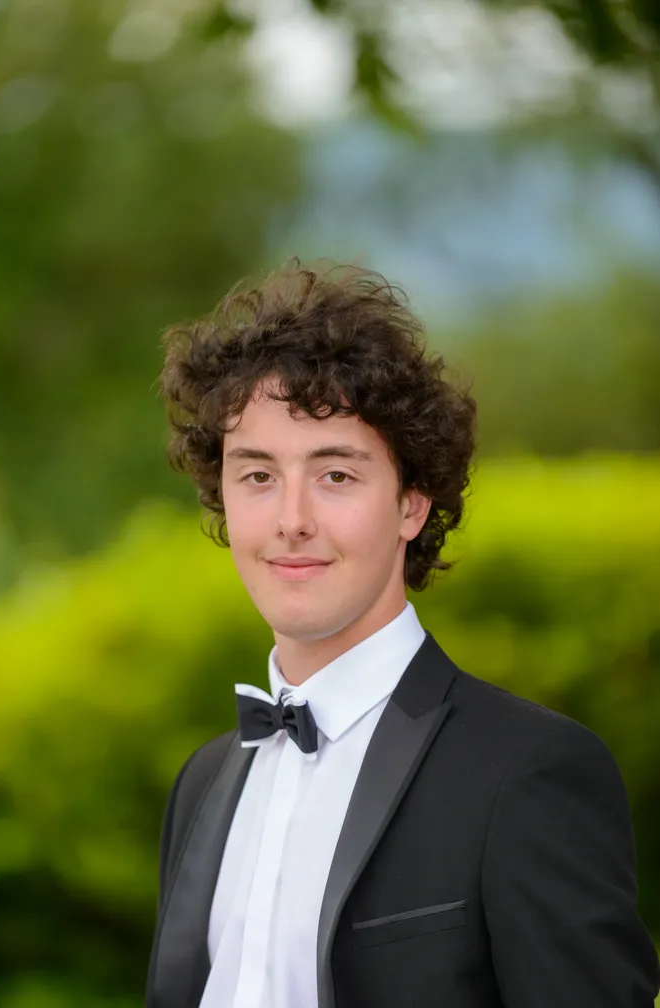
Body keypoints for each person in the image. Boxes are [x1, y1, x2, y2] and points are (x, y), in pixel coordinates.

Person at [146, 260, 659, 1008]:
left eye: (336, 476)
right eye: (257, 476)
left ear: (411, 505)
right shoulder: (202, 784)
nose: (290, 519)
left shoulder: (529, 774)